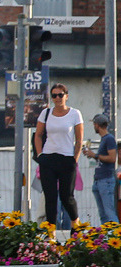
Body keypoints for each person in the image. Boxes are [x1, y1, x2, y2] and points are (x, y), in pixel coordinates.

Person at [34, 83, 82, 227]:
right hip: (48, 158)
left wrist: (75, 159)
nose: (57, 98)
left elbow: (79, 140)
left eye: (60, 95)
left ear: (66, 96)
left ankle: (76, 224)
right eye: (54, 95)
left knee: (67, 197)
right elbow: (38, 135)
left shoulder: (75, 113)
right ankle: (51, 232)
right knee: (50, 197)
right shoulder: (46, 113)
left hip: (67, 158)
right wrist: (40, 155)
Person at [84, 114, 119, 224]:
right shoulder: (104, 139)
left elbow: (112, 158)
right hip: (100, 179)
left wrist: (95, 155)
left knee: (109, 212)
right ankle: (105, 236)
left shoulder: (109, 139)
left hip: (106, 179)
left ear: (97, 125)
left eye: (94, 124)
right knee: (103, 213)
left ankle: (115, 235)